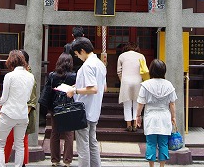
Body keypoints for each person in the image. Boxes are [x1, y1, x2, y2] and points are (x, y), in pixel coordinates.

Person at [66, 37, 107, 167]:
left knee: (83, 146)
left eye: (77, 53)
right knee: (92, 143)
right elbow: (102, 87)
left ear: (82, 51)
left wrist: (75, 91)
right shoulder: (100, 64)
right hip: (94, 110)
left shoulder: (88, 65)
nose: (77, 57)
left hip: (83, 110)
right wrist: (77, 86)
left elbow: (93, 88)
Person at [0, 50, 34, 167]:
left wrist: (0, 104)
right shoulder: (30, 76)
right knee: (19, 144)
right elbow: (28, 98)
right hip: (22, 115)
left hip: (8, 113)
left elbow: (4, 97)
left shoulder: (9, 76)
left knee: (0, 144)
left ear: (11, 61)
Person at [136, 59, 177, 167]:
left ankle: (151, 166)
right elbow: (172, 104)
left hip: (150, 116)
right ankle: (162, 166)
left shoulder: (145, 85)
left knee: (151, 143)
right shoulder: (169, 85)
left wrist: (138, 116)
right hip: (164, 116)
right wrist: (173, 117)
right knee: (163, 143)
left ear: (151, 70)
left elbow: (141, 103)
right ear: (164, 71)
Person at [46, 52, 76, 167]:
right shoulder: (74, 76)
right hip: (68, 106)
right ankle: (67, 160)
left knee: (55, 132)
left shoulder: (52, 75)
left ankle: (54, 159)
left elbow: (48, 91)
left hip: (55, 107)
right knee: (69, 133)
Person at [117, 42, 147, 132]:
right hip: (138, 81)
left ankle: (128, 125)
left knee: (127, 104)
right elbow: (144, 70)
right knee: (136, 104)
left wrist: (122, 81)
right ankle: (135, 125)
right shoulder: (141, 56)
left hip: (125, 81)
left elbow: (119, 71)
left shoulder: (122, 56)